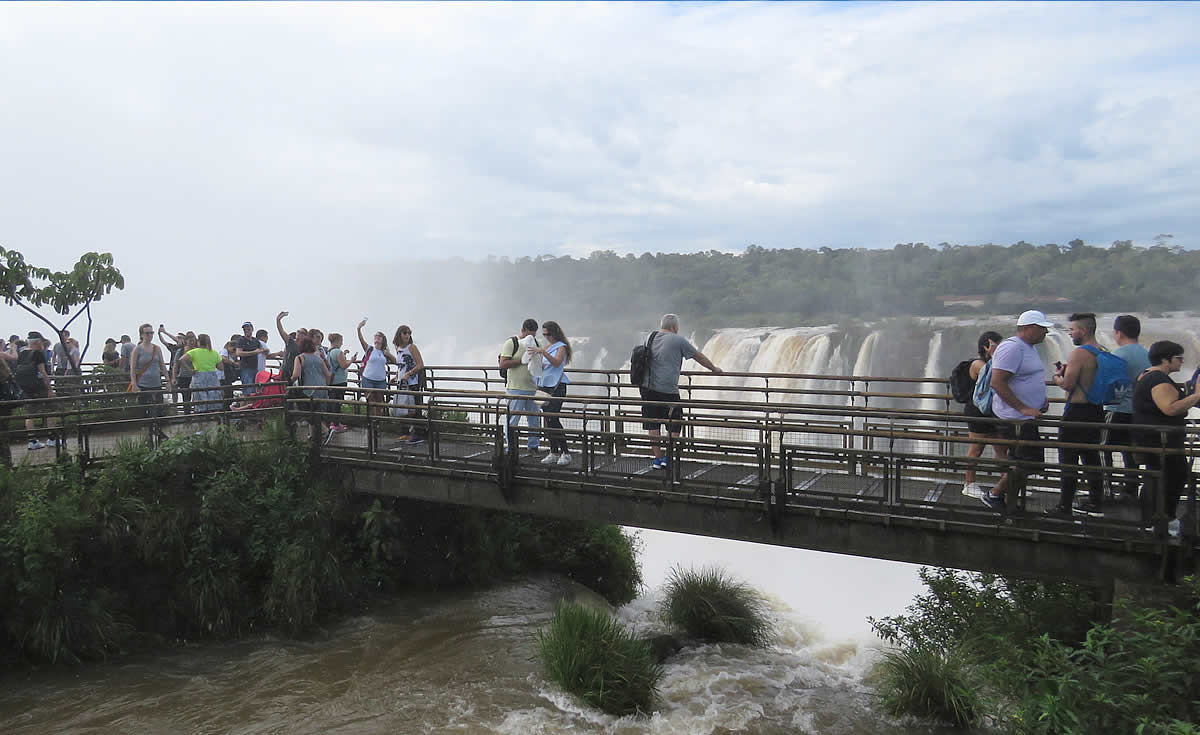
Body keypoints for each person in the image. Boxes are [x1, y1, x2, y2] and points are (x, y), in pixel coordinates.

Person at [982, 310, 1052, 512]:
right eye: (1042, 328)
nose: (1046, 332)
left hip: (1026, 417)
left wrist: (1040, 401)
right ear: (1029, 328)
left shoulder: (1029, 348)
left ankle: (1009, 503)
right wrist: (1023, 407)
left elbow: (1026, 378)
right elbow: (997, 382)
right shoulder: (1011, 348)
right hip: (1015, 419)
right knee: (1024, 462)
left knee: (1028, 462)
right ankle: (995, 495)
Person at [639, 313, 723, 469]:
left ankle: (657, 459)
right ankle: (668, 458)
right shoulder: (678, 340)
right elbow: (699, 357)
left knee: (653, 425)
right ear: (675, 326)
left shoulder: (649, 337)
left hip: (647, 389)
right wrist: (714, 369)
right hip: (668, 390)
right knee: (675, 423)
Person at [1134, 340, 1200, 537]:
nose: (1181, 362)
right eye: (1178, 358)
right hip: (1161, 441)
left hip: (1152, 438)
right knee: (1174, 476)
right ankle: (1162, 520)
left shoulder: (1146, 375)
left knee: (1157, 478)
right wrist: (1197, 396)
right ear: (1165, 359)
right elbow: (1169, 408)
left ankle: (1153, 521)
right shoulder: (1158, 380)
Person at [1051, 312, 1108, 517]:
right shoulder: (1103, 350)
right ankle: (1095, 503)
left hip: (1077, 411)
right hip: (1096, 411)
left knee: (1068, 459)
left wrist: (1057, 377)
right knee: (1091, 458)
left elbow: (1068, 384)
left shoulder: (1079, 353)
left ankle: (1064, 506)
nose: (1069, 333)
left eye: (1072, 330)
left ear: (1083, 331)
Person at [1103, 315, 1151, 502]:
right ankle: (1130, 490)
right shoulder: (1147, 354)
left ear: (1118, 332)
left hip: (1117, 410)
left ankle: (1106, 491)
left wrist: (1106, 401)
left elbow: (1115, 386)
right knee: (1131, 451)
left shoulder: (1118, 355)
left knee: (1102, 448)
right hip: (1139, 413)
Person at [962, 331, 1006, 497]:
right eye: (997, 345)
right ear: (986, 347)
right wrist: (995, 355)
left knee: (1001, 449)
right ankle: (969, 484)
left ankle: (1007, 481)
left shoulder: (992, 361)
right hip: (977, 412)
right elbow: (993, 375)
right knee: (976, 448)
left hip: (993, 411)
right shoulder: (977, 364)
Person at [530, 320, 573, 465]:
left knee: (554, 418)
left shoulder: (561, 347)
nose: (546, 337)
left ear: (554, 333)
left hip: (557, 386)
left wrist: (543, 352)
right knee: (548, 419)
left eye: (548, 334)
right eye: (544, 334)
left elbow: (557, 363)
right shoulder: (547, 347)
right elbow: (542, 366)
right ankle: (554, 451)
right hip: (544, 385)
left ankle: (565, 452)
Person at [499, 319, 543, 452]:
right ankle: (511, 447)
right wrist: (522, 361)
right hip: (515, 388)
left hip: (532, 388)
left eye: (533, 335)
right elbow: (503, 364)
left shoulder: (536, 344)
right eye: (528, 335)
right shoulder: (512, 343)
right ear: (522, 330)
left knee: (534, 419)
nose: (530, 338)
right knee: (513, 419)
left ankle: (533, 446)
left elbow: (541, 363)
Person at [14, 332, 57, 450]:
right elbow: (43, 372)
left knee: (29, 414)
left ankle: (32, 441)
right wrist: (50, 390)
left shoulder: (22, 354)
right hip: (38, 387)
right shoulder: (38, 354)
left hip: (25, 388)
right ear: (38, 342)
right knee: (51, 410)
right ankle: (52, 439)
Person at [392, 325, 426, 443]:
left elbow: (420, 364)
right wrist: (396, 376)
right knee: (403, 407)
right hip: (402, 382)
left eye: (409, 333)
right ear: (399, 334)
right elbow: (401, 365)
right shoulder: (398, 348)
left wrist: (409, 373)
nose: (407, 335)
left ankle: (419, 434)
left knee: (414, 408)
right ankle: (405, 432)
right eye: (405, 333)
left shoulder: (412, 347)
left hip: (412, 382)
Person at [356, 319, 396, 417]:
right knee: (370, 401)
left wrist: (389, 354)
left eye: (379, 336)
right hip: (368, 379)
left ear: (383, 339)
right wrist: (359, 329)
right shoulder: (369, 349)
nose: (377, 337)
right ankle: (370, 421)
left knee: (379, 403)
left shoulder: (384, 352)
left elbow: (395, 361)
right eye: (376, 336)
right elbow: (361, 340)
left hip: (380, 381)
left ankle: (378, 421)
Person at [130, 323, 170, 417]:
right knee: (143, 411)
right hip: (143, 384)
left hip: (156, 383)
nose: (150, 335)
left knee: (159, 411)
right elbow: (133, 368)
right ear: (142, 335)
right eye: (147, 333)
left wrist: (168, 380)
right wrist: (134, 383)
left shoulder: (157, 348)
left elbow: (162, 365)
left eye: (151, 333)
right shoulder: (137, 349)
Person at [178, 334, 224, 413]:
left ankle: (201, 416)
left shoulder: (194, 352)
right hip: (212, 377)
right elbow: (221, 367)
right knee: (213, 397)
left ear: (198, 342)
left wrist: (190, 370)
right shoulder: (214, 353)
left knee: (200, 398)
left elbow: (181, 360)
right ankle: (214, 415)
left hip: (198, 376)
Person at [292, 336, 331, 428]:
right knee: (320, 414)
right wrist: (326, 385)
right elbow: (328, 375)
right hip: (322, 388)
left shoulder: (299, 358)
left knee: (310, 414)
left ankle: (325, 431)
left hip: (308, 390)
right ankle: (314, 434)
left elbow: (296, 375)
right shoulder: (319, 359)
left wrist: (290, 380)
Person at [326, 333, 353, 432]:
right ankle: (336, 424)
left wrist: (344, 354)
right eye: (341, 341)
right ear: (337, 341)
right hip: (340, 381)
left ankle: (332, 422)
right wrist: (351, 360)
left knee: (333, 402)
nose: (342, 343)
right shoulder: (338, 351)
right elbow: (343, 365)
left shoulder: (329, 351)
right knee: (338, 403)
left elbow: (335, 363)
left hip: (332, 381)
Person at [235, 321, 266, 395]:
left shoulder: (255, 341)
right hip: (246, 368)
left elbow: (262, 349)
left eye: (248, 329)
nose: (247, 331)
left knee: (256, 390)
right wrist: (253, 352)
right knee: (248, 390)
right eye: (245, 329)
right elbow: (238, 353)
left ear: (252, 329)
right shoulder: (241, 340)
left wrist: (265, 351)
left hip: (255, 368)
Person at [171, 333, 199, 415]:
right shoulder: (180, 351)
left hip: (195, 376)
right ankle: (187, 414)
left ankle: (196, 413)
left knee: (196, 396)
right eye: (190, 341)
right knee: (186, 397)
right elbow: (175, 365)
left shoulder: (197, 351)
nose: (192, 343)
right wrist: (174, 377)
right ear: (186, 341)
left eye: (193, 341)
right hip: (184, 376)